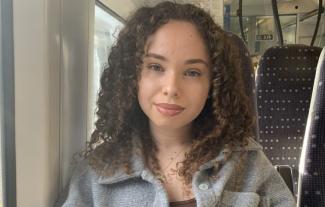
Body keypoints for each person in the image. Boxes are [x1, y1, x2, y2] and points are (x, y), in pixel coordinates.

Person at [55, 2, 296, 207]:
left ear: (213, 84)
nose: (171, 87)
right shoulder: (96, 173)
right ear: (132, 75)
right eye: (155, 67)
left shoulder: (249, 162)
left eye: (192, 72)